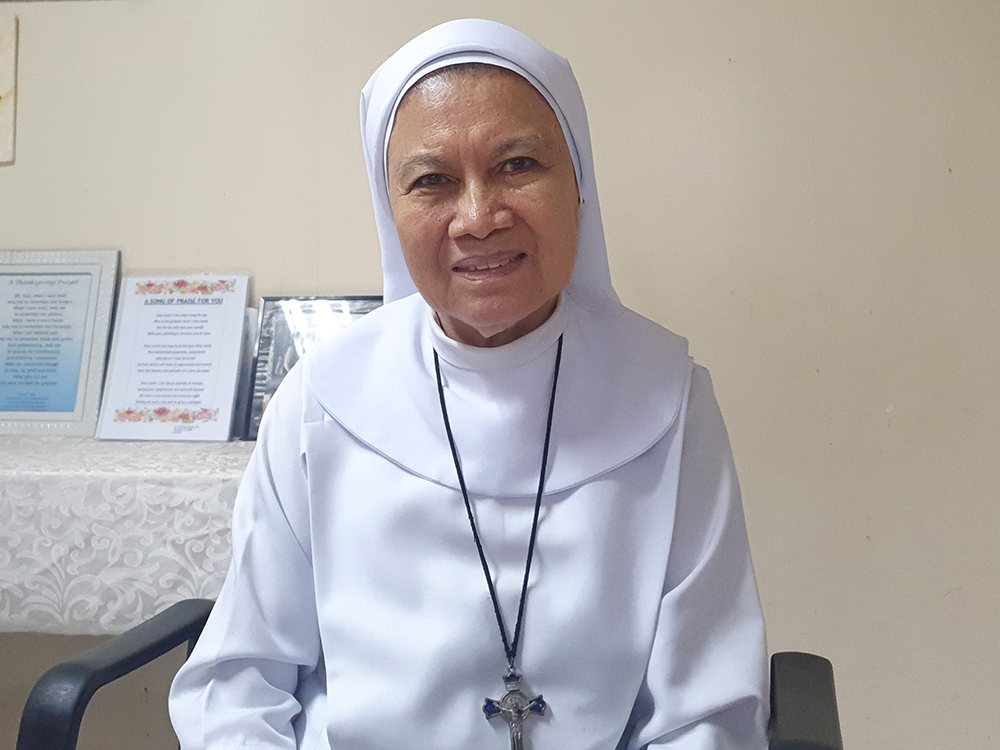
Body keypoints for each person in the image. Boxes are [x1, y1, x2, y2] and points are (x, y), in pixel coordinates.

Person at [169, 18, 769, 750]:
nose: (479, 217)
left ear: (578, 183)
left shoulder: (668, 399)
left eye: (518, 165)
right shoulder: (319, 401)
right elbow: (239, 682)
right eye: (433, 181)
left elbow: (706, 711)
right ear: (391, 212)